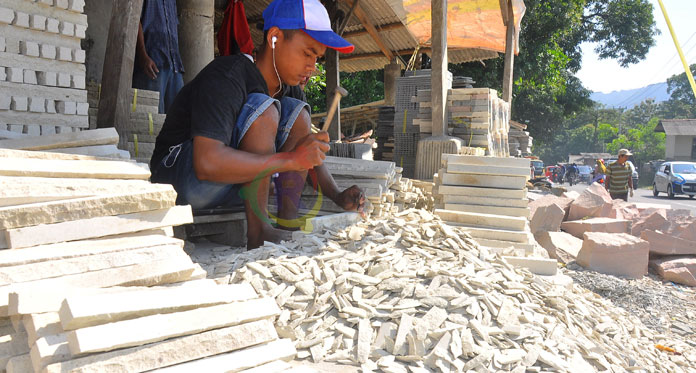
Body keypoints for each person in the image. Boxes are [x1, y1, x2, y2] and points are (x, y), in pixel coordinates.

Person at [149, 0, 364, 249]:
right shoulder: (227, 76)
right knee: (265, 110)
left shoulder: (291, 88)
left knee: (298, 113)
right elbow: (206, 163)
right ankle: (258, 231)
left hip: (228, 187)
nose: (312, 67)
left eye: (317, 57)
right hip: (181, 182)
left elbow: (306, 154)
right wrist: (289, 160)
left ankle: (287, 222)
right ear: (274, 38)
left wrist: (337, 195)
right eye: (307, 53)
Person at [133, 0, 185, 114]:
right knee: (152, 118)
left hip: (174, 65)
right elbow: (134, 18)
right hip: (152, 63)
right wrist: (142, 54)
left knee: (178, 119)